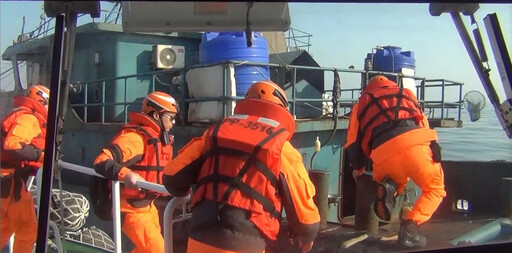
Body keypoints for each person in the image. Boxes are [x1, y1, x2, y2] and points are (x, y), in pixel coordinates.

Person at [163, 80, 320, 253]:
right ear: (281, 110)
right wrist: (306, 236)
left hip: (200, 238)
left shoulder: (213, 133)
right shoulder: (282, 148)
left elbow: (172, 177)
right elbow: (305, 220)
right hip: (249, 244)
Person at [344, 75, 446, 248]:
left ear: (368, 89)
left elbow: (352, 141)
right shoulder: (406, 93)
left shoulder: (360, 104)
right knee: (435, 190)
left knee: (396, 179)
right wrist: (433, 148)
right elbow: (423, 121)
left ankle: (389, 187)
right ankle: (410, 229)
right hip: (416, 145)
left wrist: (358, 169)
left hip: (382, 155)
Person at [93, 91, 178, 253]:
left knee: (149, 250)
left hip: (148, 207)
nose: (174, 122)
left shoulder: (158, 139)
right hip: (131, 209)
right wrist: (127, 174)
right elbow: (101, 160)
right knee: (158, 250)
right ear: (156, 115)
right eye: (171, 117)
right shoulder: (135, 139)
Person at [1, 85, 50, 253]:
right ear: (42, 102)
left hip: (9, 178)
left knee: (6, 226)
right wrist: (43, 155)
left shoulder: (19, 114)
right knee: (26, 227)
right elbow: (13, 145)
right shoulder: (30, 119)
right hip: (7, 180)